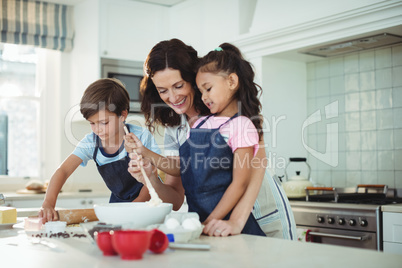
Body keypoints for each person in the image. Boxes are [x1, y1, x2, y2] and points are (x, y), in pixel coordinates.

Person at [126, 39, 296, 239]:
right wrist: (150, 176)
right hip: (213, 226)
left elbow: (258, 165)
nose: (172, 97)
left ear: (193, 79)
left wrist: (238, 219)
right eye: (163, 90)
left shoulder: (227, 108)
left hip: (260, 216)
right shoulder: (176, 128)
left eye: (178, 85)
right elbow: (176, 196)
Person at [39, 78, 161, 223]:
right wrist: (48, 203)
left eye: (104, 122)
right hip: (117, 207)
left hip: (147, 205)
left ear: (122, 115)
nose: (98, 129)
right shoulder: (91, 142)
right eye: (92, 123)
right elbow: (63, 171)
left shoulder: (140, 137)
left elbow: (154, 175)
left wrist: (138, 203)